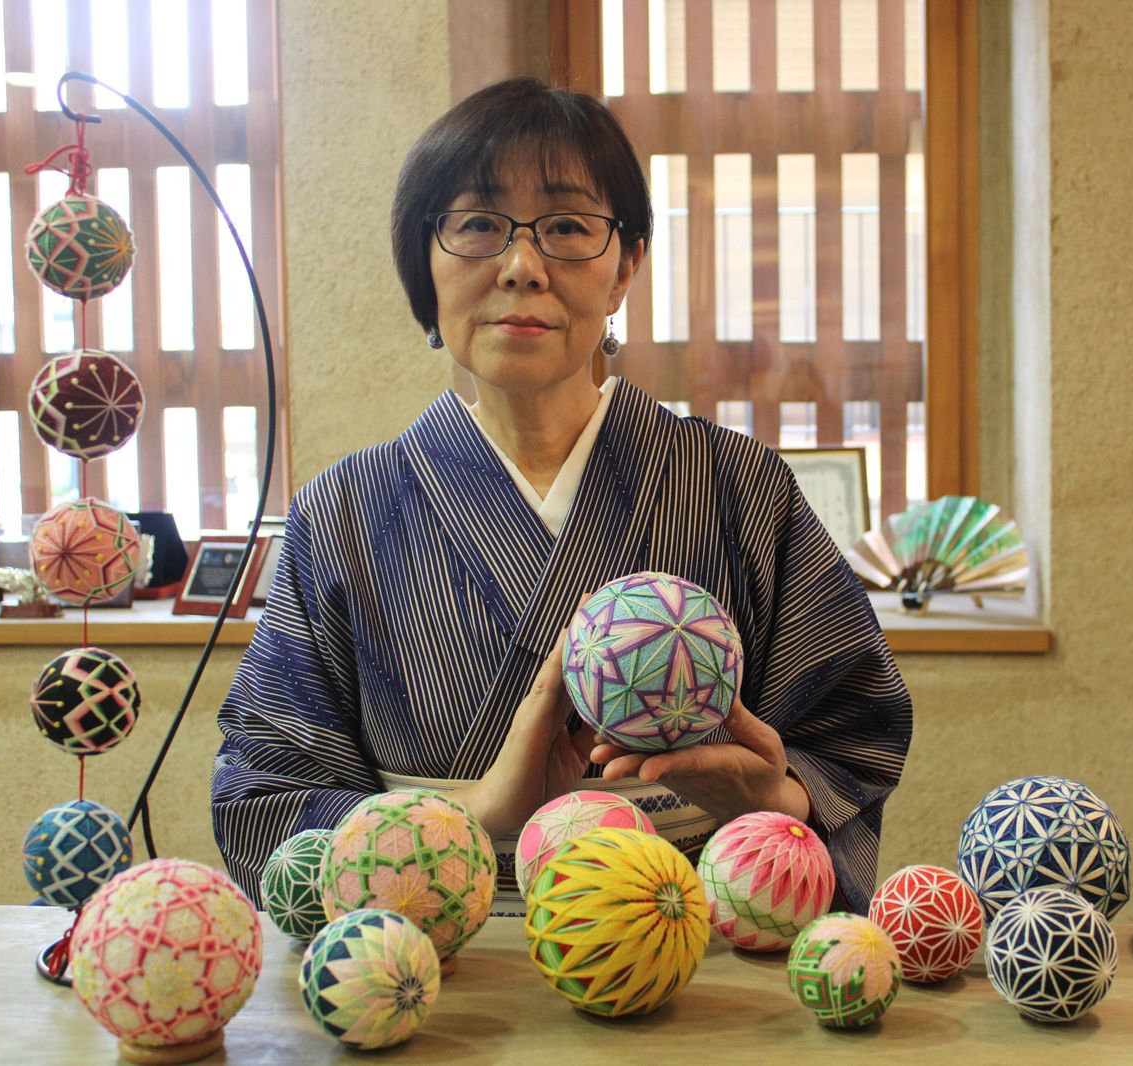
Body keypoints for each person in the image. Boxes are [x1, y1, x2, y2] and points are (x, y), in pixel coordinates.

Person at [211, 77, 913, 915]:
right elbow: (267, 799)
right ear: (422, 265)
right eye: (475, 225)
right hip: (432, 967)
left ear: (626, 268)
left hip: (693, 955)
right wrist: (473, 815)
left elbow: (852, 735)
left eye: (568, 227)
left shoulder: (740, 489)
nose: (521, 267)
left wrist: (778, 800)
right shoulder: (344, 513)